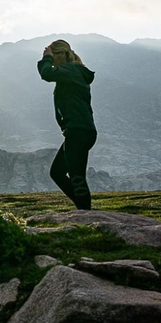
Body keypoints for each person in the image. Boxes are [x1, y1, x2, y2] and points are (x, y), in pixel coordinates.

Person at [37, 39, 97, 211]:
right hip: (80, 130)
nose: (52, 61)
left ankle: (86, 214)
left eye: (53, 56)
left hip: (78, 130)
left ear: (62, 55)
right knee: (57, 172)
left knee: (77, 176)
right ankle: (83, 208)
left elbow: (46, 73)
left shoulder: (71, 71)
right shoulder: (73, 72)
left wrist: (45, 59)